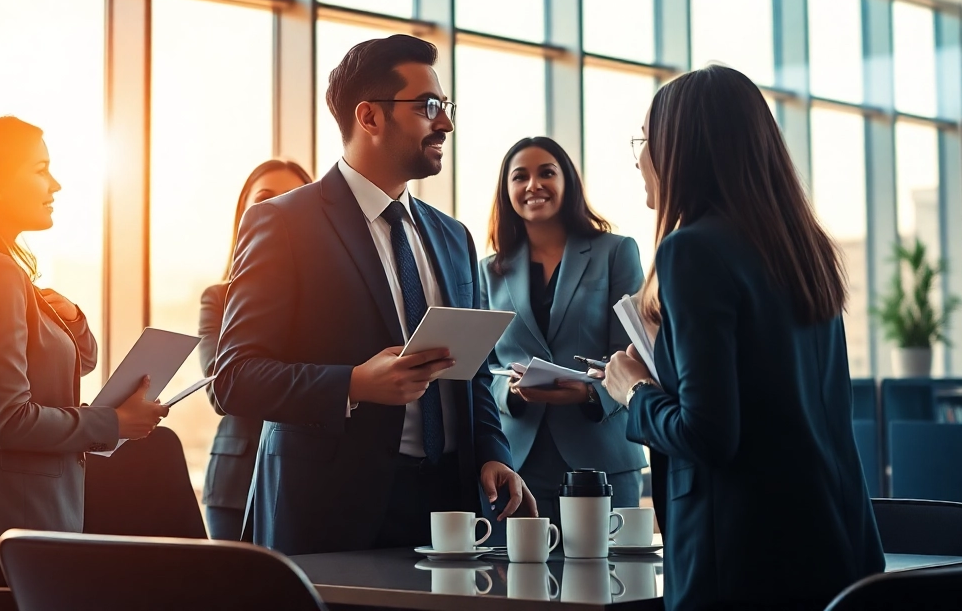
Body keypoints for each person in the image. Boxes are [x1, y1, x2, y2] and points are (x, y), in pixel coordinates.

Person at [213, 35, 536, 555]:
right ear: (369, 117)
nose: (445, 123)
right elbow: (232, 379)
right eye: (429, 107)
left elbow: (473, 369)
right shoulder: (283, 223)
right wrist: (354, 383)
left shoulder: (454, 237)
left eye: (445, 106)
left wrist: (492, 454)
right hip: (329, 514)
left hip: (450, 510)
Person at [597, 65, 884, 611]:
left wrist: (633, 389)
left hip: (740, 561)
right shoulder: (806, 250)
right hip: (834, 546)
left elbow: (709, 434)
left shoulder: (692, 251)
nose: (639, 158)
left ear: (681, 148)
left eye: (645, 140)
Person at [0, 116, 167, 586]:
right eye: (40, 169)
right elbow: (9, 420)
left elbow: (74, 363)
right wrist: (114, 424)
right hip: (0, 534)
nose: (55, 184)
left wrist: (72, 319)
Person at [479, 136, 647, 527]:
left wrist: (590, 393)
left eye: (546, 173)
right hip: (519, 462)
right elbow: (483, 367)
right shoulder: (489, 270)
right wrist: (512, 394)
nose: (533, 185)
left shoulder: (616, 252)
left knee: (606, 584)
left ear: (567, 182)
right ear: (507, 191)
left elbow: (634, 354)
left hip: (602, 456)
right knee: (521, 582)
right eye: (520, 176)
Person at [198, 159, 313, 540]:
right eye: (264, 200)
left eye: (291, 199)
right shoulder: (219, 298)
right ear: (243, 213)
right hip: (236, 482)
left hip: (308, 476)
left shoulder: (328, 300)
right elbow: (222, 390)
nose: (278, 211)